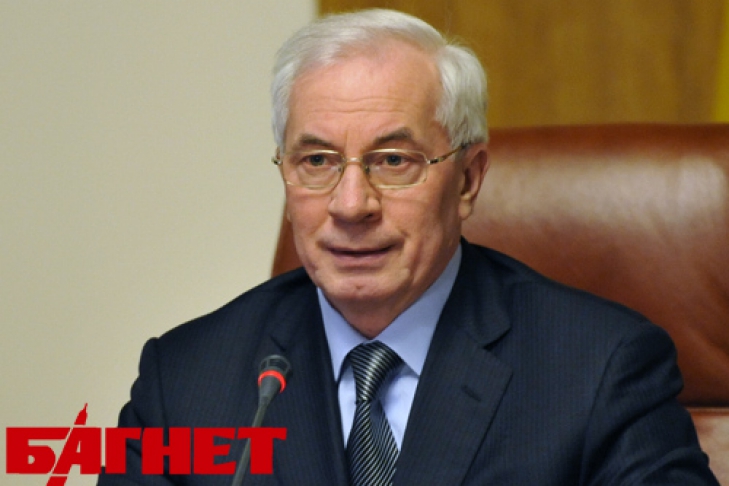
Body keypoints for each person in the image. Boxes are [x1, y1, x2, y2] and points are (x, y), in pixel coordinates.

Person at [97, 8, 719, 485]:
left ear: (468, 179)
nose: (351, 205)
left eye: (393, 160)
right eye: (317, 161)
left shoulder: (600, 369)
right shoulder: (184, 381)